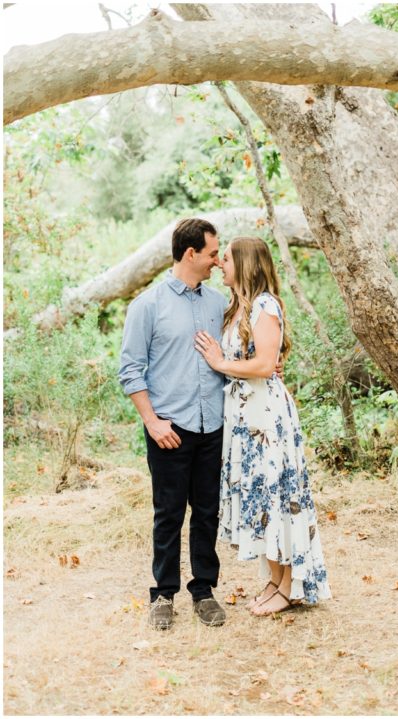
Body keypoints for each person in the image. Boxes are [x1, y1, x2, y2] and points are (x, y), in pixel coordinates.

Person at [194, 236, 331, 616]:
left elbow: (265, 365)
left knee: (276, 497)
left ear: (246, 263)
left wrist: (221, 363)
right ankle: (276, 580)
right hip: (243, 420)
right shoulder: (240, 307)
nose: (221, 263)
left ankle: (289, 587)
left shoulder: (265, 306)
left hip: (266, 418)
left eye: (227, 259)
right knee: (260, 501)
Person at [119, 217, 228, 630]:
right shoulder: (148, 306)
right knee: (168, 513)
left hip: (212, 426)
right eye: (213, 253)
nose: (218, 261)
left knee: (207, 512)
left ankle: (203, 590)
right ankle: (163, 593)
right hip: (169, 429)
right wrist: (152, 421)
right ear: (191, 254)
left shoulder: (219, 304)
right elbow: (131, 371)